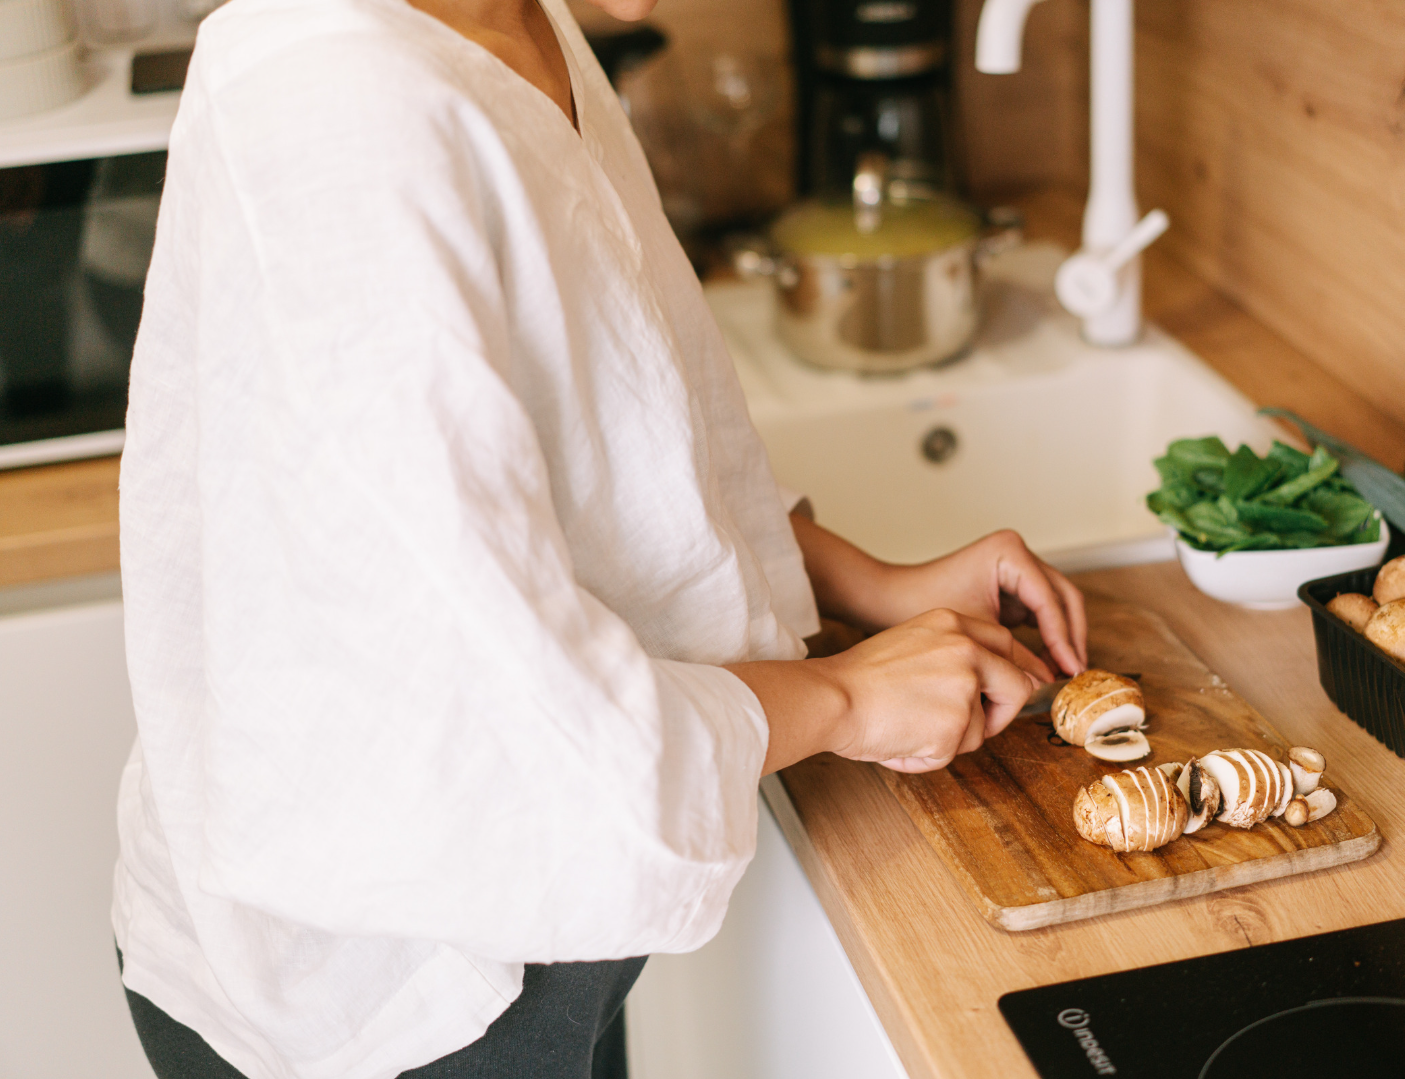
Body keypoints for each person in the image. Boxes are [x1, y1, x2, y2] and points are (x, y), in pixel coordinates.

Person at [112, 0, 1088, 1077]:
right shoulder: (335, 99)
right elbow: (477, 701)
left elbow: (616, 445)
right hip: (388, 988)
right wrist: (851, 696)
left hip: (542, 915)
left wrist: (867, 585)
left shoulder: (527, 24)